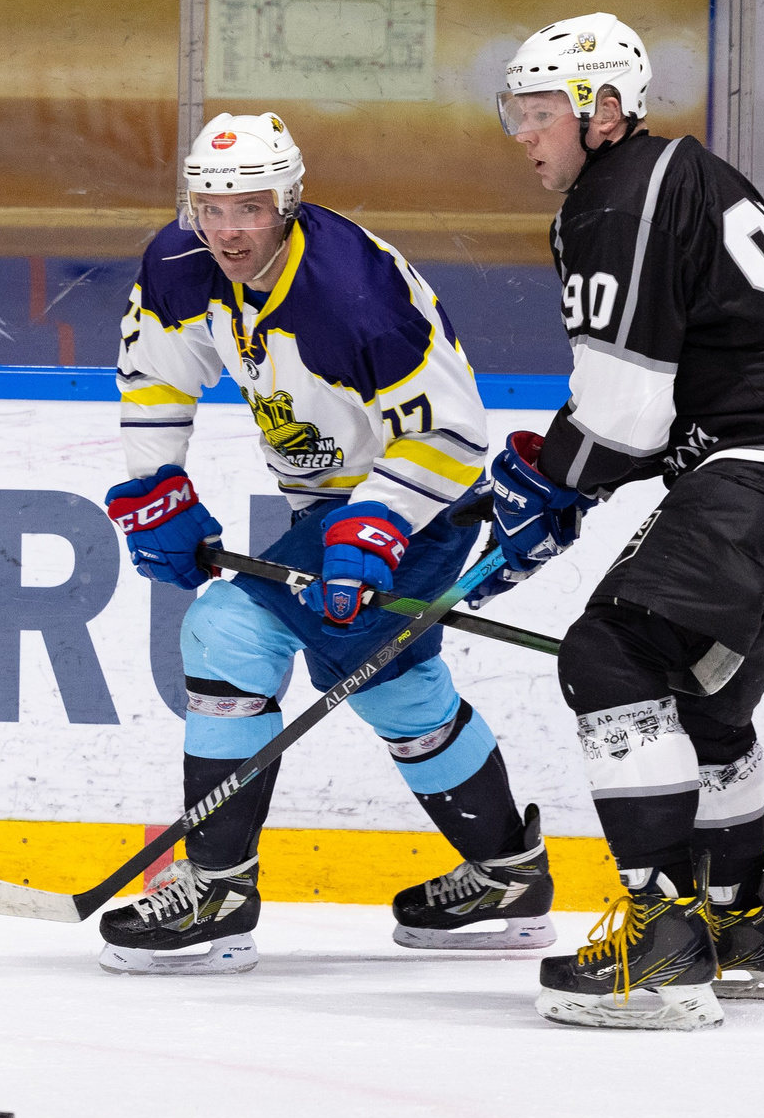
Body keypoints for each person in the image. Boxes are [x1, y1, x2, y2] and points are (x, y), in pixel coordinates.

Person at [483, 16, 764, 1029]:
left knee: (610, 658)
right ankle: (742, 923)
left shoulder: (615, 196)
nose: (524, 135)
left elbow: (626, 414)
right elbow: (645, 406)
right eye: (517, 114)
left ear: (605, 113)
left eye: (542, 115)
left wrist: (548, 484)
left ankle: (663, 941)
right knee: (700, 698)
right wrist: (558, 475)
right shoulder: (678, 173)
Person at [97, 111, 556, 973]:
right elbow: (156, 371)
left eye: (250, 208)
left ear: (289, 201)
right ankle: (509, 874)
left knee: (229, 631)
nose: (229, 230)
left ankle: (218, 892)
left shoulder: (354, 295)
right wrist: (158, 485)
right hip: (323, 505)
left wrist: (373, 531)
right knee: (393, 685)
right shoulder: (178, 261)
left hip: (419, 498)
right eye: (211, 208)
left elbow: (454, 436)